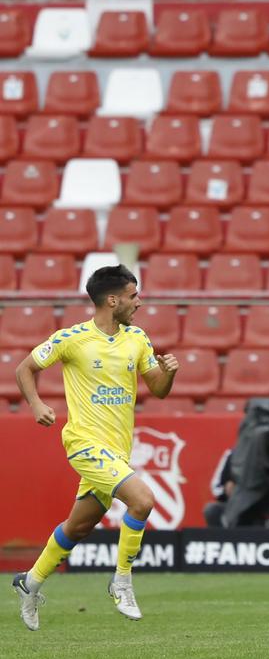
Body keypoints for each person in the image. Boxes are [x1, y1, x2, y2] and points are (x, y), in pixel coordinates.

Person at [11, 264, 179, 631]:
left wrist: (169, 371)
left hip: (117, 451)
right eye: (133, 296)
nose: (139, 302)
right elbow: (24, 368)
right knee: (143, 500)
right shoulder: (72, 339)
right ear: (112, 299)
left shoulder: (137, 339)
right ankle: (121, 581)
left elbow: (158, 388)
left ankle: (30, 582)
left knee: (78, 527)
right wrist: (37, 404)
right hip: (84, 443)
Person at [202, 397, 269, 529]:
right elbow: (217, 487)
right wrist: (227, 489)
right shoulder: (235, 455)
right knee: (212, 510)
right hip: (246, 509)